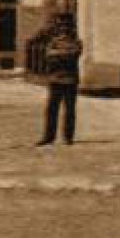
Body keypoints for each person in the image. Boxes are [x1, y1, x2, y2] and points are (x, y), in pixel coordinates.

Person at [36, 13, 83, 146]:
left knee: (69, 110)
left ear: (71, 27)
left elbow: (73, 55)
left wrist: (58, 54)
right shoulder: (54, 42)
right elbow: (48, 55)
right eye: (61, 26)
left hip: (70, 80)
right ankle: (49, 136)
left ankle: (68, 137)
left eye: (66, 26)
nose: (64, 29)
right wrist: (62, 54)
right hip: (55, 80)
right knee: (51, 109)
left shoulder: (76, 42)